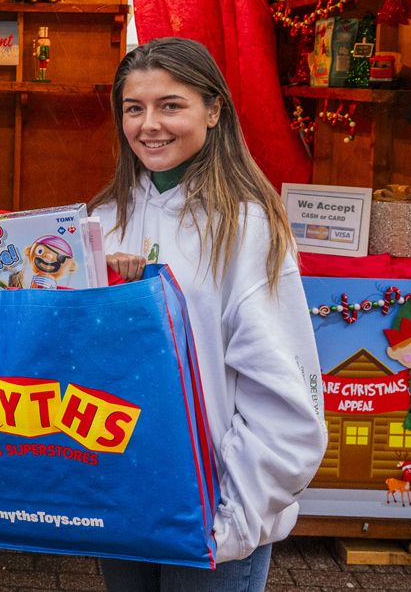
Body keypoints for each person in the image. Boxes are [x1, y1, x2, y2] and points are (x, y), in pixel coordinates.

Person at [89, 37, 326, 592]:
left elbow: (283, 390)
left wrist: (237, 515)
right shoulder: (103, 219)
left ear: (214, 110)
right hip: (123, 495)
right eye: (134, 108)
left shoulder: (246, 226)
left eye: (171, 105)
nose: (150, 124)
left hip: (212, 514)